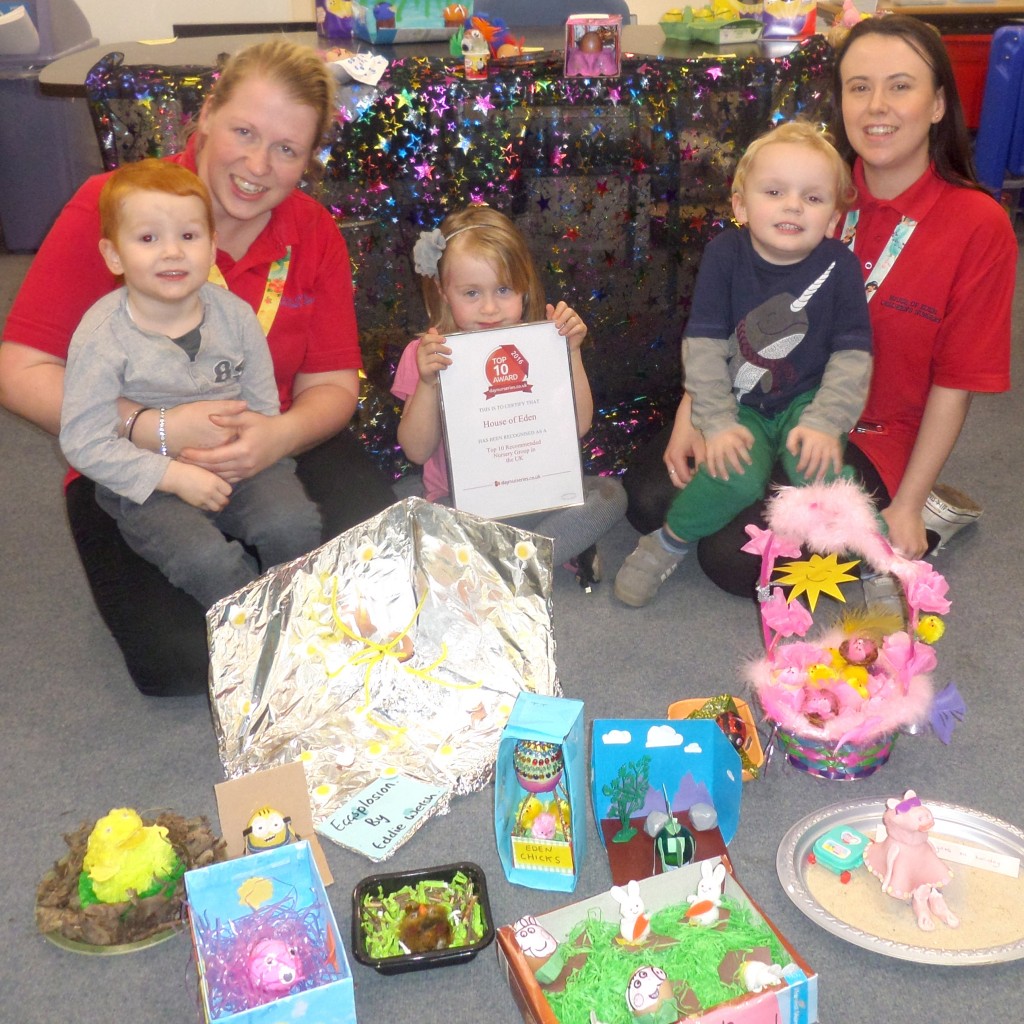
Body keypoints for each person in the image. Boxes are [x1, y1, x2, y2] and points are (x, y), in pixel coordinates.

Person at [0, 39, 396, 696]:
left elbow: (330, 385)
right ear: (206, 114)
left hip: (266, 442)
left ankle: (260, 564)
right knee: (182, 662)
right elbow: (20, 366)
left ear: (308, 159)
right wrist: (151, 428)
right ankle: (239, 577)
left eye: (286, 149)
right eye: (244, 130)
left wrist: (278, 437)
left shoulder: (312, 231)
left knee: (378, 577)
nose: (257, 165)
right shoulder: (118, 205)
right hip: (131, 463)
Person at [620, 15, 1016, 597]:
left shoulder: (976, 224)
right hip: (758, 396)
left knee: (732, 559)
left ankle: (922, 515)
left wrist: (906, 503)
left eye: (900, 85)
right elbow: (730, 315)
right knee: (649, 496)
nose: (876, 105)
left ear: (938, 104)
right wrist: (699, 411)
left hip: (873, 433)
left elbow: (955, 383)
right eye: (859, 86)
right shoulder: (803, 184)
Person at [613, 121, 872, 607]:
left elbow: (852, 356)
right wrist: (714, 421)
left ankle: (879, 562)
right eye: (775, 191)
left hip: (807, 403)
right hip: (741, 403)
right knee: (734, 473)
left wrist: (825, 422)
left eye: (813, 199)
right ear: (740, 205)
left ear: (835, 218)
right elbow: (705, 344)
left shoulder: (841, 266)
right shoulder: (725, 253)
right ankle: (666, 542)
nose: (793, 205)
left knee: (824, 476)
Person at [61, 160, 322, 609]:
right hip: (148, 481)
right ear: (113, 255)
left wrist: (248, 452)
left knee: (294, 525)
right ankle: (251, 626)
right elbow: (84, 441)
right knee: (205, 561)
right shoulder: (101, 334)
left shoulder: (236, 317)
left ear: (212, 245)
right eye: (148, 238)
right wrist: (173, 475)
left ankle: (299, 612)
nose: (172, 253)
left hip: (238, 465)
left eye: (188, 236)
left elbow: (262, 409)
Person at [392, 204, 627, 580]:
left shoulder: (543, 341)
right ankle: (544, 553)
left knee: (609, 497)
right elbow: (417, 450)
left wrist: (573, 353)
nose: (489, 307)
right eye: (471, 292)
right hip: (462, 508)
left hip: (539, 497)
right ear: (442, 290)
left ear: (524, 286)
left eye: (503, 289)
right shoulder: (426, 353)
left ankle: (498, 568)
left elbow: (579, 425)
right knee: (418, 517)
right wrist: (427, 384)